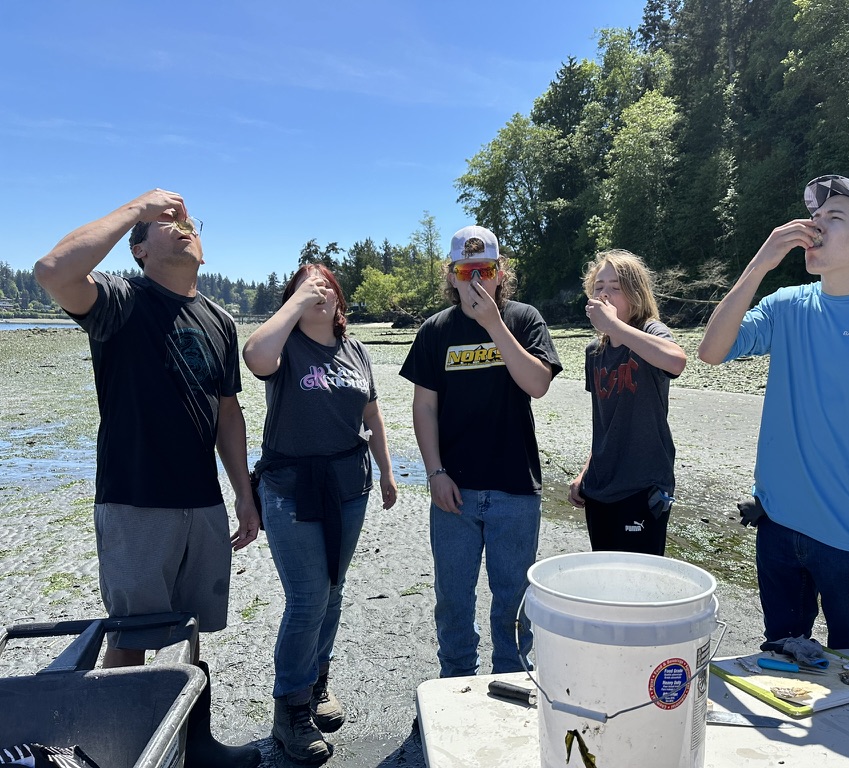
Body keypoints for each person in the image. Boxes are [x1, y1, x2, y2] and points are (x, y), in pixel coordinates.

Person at [33, 189, 261, 768]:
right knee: (132, 635)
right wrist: (138, 208)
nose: (183, 226)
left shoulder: (219, 320)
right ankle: (117, 755)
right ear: (138, 250)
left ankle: (195, 746)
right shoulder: (120, 299)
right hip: (134, 500)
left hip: (201, 503)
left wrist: (243, 494)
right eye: (167, 223)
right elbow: (53, 271)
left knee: (188, 630)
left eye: (188, 222)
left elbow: (227, 413)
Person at [697, 174, 849, 649]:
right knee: (782, 662)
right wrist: (761, 262)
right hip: (776, 525)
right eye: (815, 217)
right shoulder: (787, 306)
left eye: (834, 217)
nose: (815, 227)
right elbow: (711, 350)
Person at [243, 264, 398, 765]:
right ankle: (289, 712)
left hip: (348, 488)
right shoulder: (284, 348)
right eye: (309, 289)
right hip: (291, 488)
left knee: (332, 591)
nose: (320, 294)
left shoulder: (355, 350)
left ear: (340, 299)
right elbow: (254, 357)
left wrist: (388, 472)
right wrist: (294, 305)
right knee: (308, 598)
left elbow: (370, 413)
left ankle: (315, 686)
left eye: (328, 287)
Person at [399, 225, 562, 678]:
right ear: (450, 275)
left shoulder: (524, 319)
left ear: (500, 272)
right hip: (455, 491)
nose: (475, 280)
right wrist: (434, 473)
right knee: (453, 597)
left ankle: (511, 680)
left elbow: (538, 384)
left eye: (485, 270)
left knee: (513, 598)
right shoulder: (435, 331)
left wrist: (492, 323)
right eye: (465, 271)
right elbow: (425, 407)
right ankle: (455, 683)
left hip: (515, 488)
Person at [568, 250, 687, 555]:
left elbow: (676, 361)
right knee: (606, 582)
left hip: (643, 486)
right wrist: (585, 472)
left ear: (636, 293)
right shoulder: (595, 352)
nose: (605, 293)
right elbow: (606, 424)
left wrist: (617, 327)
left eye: (615, 287)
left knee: (639, 584)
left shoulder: (651, 331)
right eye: (598, 287)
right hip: (599, 487)